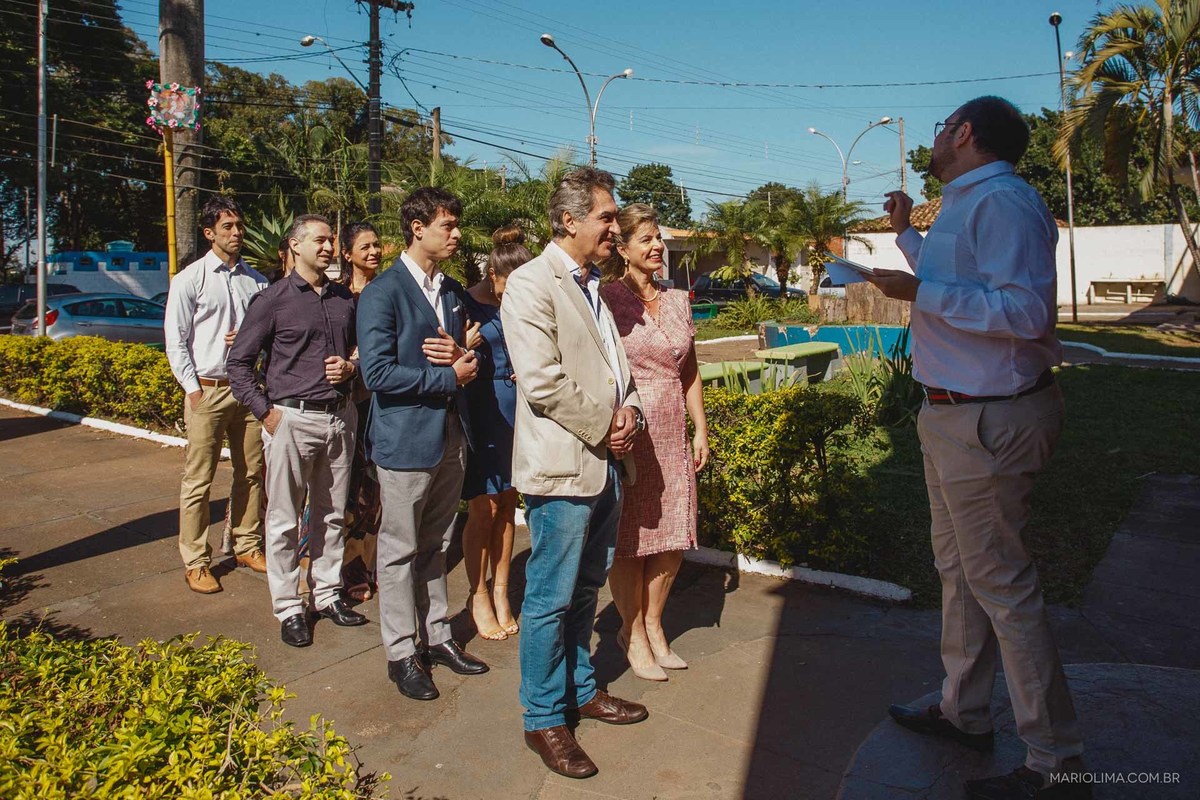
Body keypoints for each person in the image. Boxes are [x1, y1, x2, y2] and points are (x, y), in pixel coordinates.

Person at [866, 97, 1088, 800]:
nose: (931, 136)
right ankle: (963, 712)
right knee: (959, 572)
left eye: (940, 125)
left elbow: (1025, 313)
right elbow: (956, 277)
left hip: (989, 421)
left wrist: (918, 295)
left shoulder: (1005, 203)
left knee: (1002, 587)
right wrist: (906, 238)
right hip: (954, 416)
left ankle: (1057, 763)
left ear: (963, 133)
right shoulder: (963, 202)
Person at [501, 167, 648, 780]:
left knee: (586, 589)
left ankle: (581, 689)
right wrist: (606, 423)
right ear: (569, 220)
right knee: (548, 598)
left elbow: (620, 369)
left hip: (606, 466)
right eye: (606, 217)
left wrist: (631, 408)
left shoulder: (593, 286)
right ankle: (543, 720)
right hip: (564, 469)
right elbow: (540, 381)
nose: (615, 228)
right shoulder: (532, 284)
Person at [357, 187, 489, 702]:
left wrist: (464, 360)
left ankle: (437, 636)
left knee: (436, 544)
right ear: (417, 228)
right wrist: (447, 377)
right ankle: (400, 652)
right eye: (447, 225)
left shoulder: (452, 292)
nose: (456, 234)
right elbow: (377, 372)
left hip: (452, 437)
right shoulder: (382, 293)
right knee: (398, 550)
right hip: (405, 440)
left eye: (456, 225)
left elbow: (466, 356)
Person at [227, 214, 366, 648]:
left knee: (330, 513)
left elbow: (361, 351)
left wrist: (352, 367)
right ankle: (289, 606)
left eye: (331, 241)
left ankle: (326, 594)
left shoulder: (345, 299)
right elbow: (238, 365)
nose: (328, 247)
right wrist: (268, 414)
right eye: (319, 241)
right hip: (291, 419)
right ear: (295, 245)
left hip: (340, 417)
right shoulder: (272, 300)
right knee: (284, 519)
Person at [600, 204, 709, 682]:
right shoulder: (604, 299)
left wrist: (699, 426)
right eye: (644, 238)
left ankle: (653, 623)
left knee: (672, 534)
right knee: (630, 538)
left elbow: (689, 370)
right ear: (621, 249)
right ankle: (631, 631)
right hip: (629, 429)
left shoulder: (680, 299)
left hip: (672, 433)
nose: (657, 246)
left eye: (658, 236)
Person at [165, 195, 269, 595]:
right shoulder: (189, 279)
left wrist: (252, 343)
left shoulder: (257, 281)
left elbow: (268, 337)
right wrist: (193, 391)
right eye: (228, 227)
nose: (236, 233)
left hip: (248, 390)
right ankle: (196, 561)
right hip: (207, 391)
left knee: (250, 472)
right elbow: (176, 342)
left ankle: (245, 544)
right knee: (198, 480)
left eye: (239, 226)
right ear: (209, 233)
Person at [460, 225, 531, 641]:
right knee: (482, 508)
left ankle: (503, 591)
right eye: (507, 287)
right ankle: (478, 593)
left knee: (508, 504)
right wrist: (463, 342)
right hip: (482, 408)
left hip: (519, 409)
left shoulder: (522, 300)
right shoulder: (466, 301)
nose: (512, 295)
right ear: (492, 275)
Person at [336, 221, 384, 602]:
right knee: (345, 487)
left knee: (373, 488)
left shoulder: (388, 291)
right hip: (343, 402)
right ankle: (347, 566)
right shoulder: (337, 296)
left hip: (379, 401)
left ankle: (369, 564)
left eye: (377, 245)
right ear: (347, 253)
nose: (373, 252)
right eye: (364, 247)